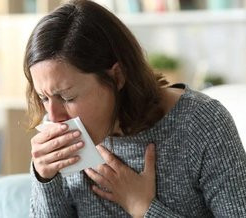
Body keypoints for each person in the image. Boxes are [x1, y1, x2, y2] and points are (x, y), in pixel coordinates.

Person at [23, 0, 246, 217]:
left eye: (67, 97)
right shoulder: (57, 134)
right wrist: (44, 179)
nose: (53, 117)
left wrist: (144, 208)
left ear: (117, 76)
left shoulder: (201, 123)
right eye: (43, 98)